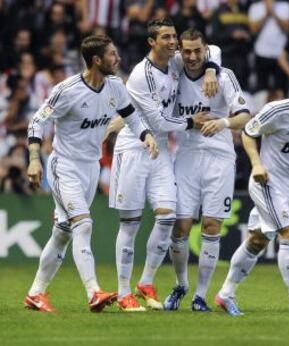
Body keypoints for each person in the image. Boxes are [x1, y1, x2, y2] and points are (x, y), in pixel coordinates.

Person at [24, 34, 158, 313]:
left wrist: (146, 135)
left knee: (62, 232)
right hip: (65, 166)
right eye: (112, 55)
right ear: (97, 60)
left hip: (91, 167)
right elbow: (38, 120)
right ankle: (94, 291)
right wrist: (35, 159)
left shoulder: (115, 86)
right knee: (83, 225)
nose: (117, 58)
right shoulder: (67, 90)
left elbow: (131, 116)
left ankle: (36, 293)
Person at [109, 17, 220, 312]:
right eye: (167, 38)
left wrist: (210, 70)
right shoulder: (140, 75)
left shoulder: (174, 62)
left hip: (160, 152)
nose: (174, 43)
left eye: (174, 37)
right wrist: (190, 122)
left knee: (168, 217)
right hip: (134, 147)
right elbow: (157, 120)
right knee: (130, 224)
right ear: (151, 42)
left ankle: (146, 281)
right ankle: (123, 293)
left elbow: (215, 50)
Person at [215, 68, 289, 316]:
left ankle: (225, 294)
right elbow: (248, 132)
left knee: (258, 240)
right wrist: (257, 164)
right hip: (266, 180)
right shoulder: (278, 110)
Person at [162, 28, 251, 312]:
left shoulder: (224, 76)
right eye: (186, 51)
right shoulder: (173, 71)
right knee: (181, 226)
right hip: (186, 156)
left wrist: (223, 123)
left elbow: (245, 116)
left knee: (212, 226)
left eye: (197, 51)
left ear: (205, 50)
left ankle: (201, 296)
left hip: (220, 158)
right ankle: (181, 284)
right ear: (180, 52)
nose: (191, 57)